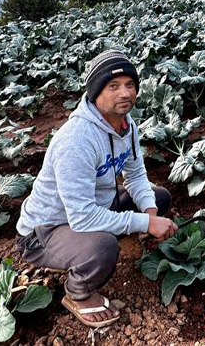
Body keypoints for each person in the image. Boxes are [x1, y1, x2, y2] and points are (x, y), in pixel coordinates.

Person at [15, 50, 178, 328]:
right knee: (103, 247)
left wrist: (149, 214)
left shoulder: (127, 126)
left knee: (159, 198)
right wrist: (145, 223)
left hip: (96, 207)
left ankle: (126, 231)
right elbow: (81, 217)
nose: (124, 93)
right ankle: (77, 292)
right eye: (113, 86)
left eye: (129, 84)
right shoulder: (76, 141)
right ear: (95, 92)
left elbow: (136, 175)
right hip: (45, 230)